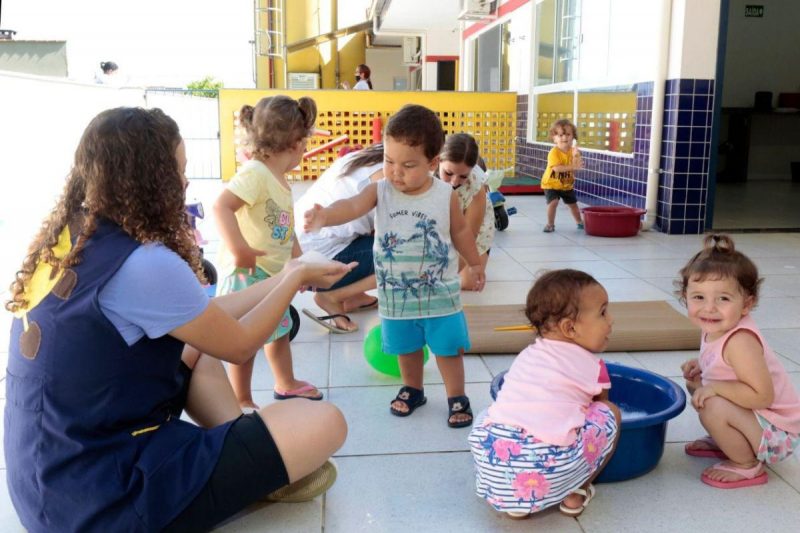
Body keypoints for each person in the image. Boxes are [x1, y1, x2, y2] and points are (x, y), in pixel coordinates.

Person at [3, 107, 350, 532]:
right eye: (178, 171)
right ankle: (251, 465)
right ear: (149, 178)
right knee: (326, 421)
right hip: (106, 500)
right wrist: (295, 275)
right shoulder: (144, 263)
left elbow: (203, 321)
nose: (185, 183)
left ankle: (247, 458)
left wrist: (286, 277)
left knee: (197, 347)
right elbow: (239, 344)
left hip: (48, 481)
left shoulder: (70, 239)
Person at [304, 104, 486, 428]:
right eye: (389, 161)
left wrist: (474, 263)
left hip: (439, 294)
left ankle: (457, 395)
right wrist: (325, 216)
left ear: (432, 163)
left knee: (447, 348)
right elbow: (352, 205)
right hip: (396, 295)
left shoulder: (444, 195)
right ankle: (413, 389)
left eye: (408, 165)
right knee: (406, 347)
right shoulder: (381, 190)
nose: (395, 172)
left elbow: (461, 232)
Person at [469, 269, 620, 518]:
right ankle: (576, 492)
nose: (611, 320)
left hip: (495, 464)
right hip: (551, 467)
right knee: (610, 413)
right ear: (570, 328)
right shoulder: (594, 368)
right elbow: (599, 405)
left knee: (490, 413)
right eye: (603, 312)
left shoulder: (527, 356)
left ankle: (515, 506)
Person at [214, 95, 320, 409]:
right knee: (244, 340)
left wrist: (298, 264)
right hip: (247, 273)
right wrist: (239, 249)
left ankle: (285, 383)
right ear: (298, 143)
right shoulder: (255, 173)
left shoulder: (278, 178)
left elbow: (286, 230)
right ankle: (241, 397)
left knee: (279, 330)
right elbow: (222, 206)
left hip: (271, 275)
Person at [678, 234, 800, 489]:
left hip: (777, 433)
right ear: (684, 296)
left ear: (747, 304)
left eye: (723, 298)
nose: (709, 308)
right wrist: (703, 366)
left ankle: (746, 464)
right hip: (759, 420)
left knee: (710, 403)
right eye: (699, 297)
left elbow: (762, 396)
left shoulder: (740, 341)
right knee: (698, 389)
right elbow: (725, 367)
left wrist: (715, 388)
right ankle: (727, 440)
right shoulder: (716, 327)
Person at [294, 144, 384, 333]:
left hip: (299, 246)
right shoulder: (387, 178)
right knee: (405, 256)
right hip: (314, 263)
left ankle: (353, 296)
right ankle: (333, 296)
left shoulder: (369, 155)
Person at [437, 133, 495, 290]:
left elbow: (469, 235)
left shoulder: (476, 184)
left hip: (471, 228)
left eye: (463, 176)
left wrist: (443, 277)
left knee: (470, 284)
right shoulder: (425, 174)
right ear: (438, 161)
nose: (455, 181)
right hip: (440, 222)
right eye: (448, 173)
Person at [540, 118, 584, 233]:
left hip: (566, 185)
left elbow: (577, 165)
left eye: (568, 134)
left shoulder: (574, 151)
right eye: (560, 135)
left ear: (573, 137)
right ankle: (550, 224)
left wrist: (576, 156)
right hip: (551, 184)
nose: (564, 137)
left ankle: (580, 222)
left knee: (573, 204)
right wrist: (574, 166)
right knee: (553, 202)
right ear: (554, 139)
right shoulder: (553, 152)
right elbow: (557, 168)